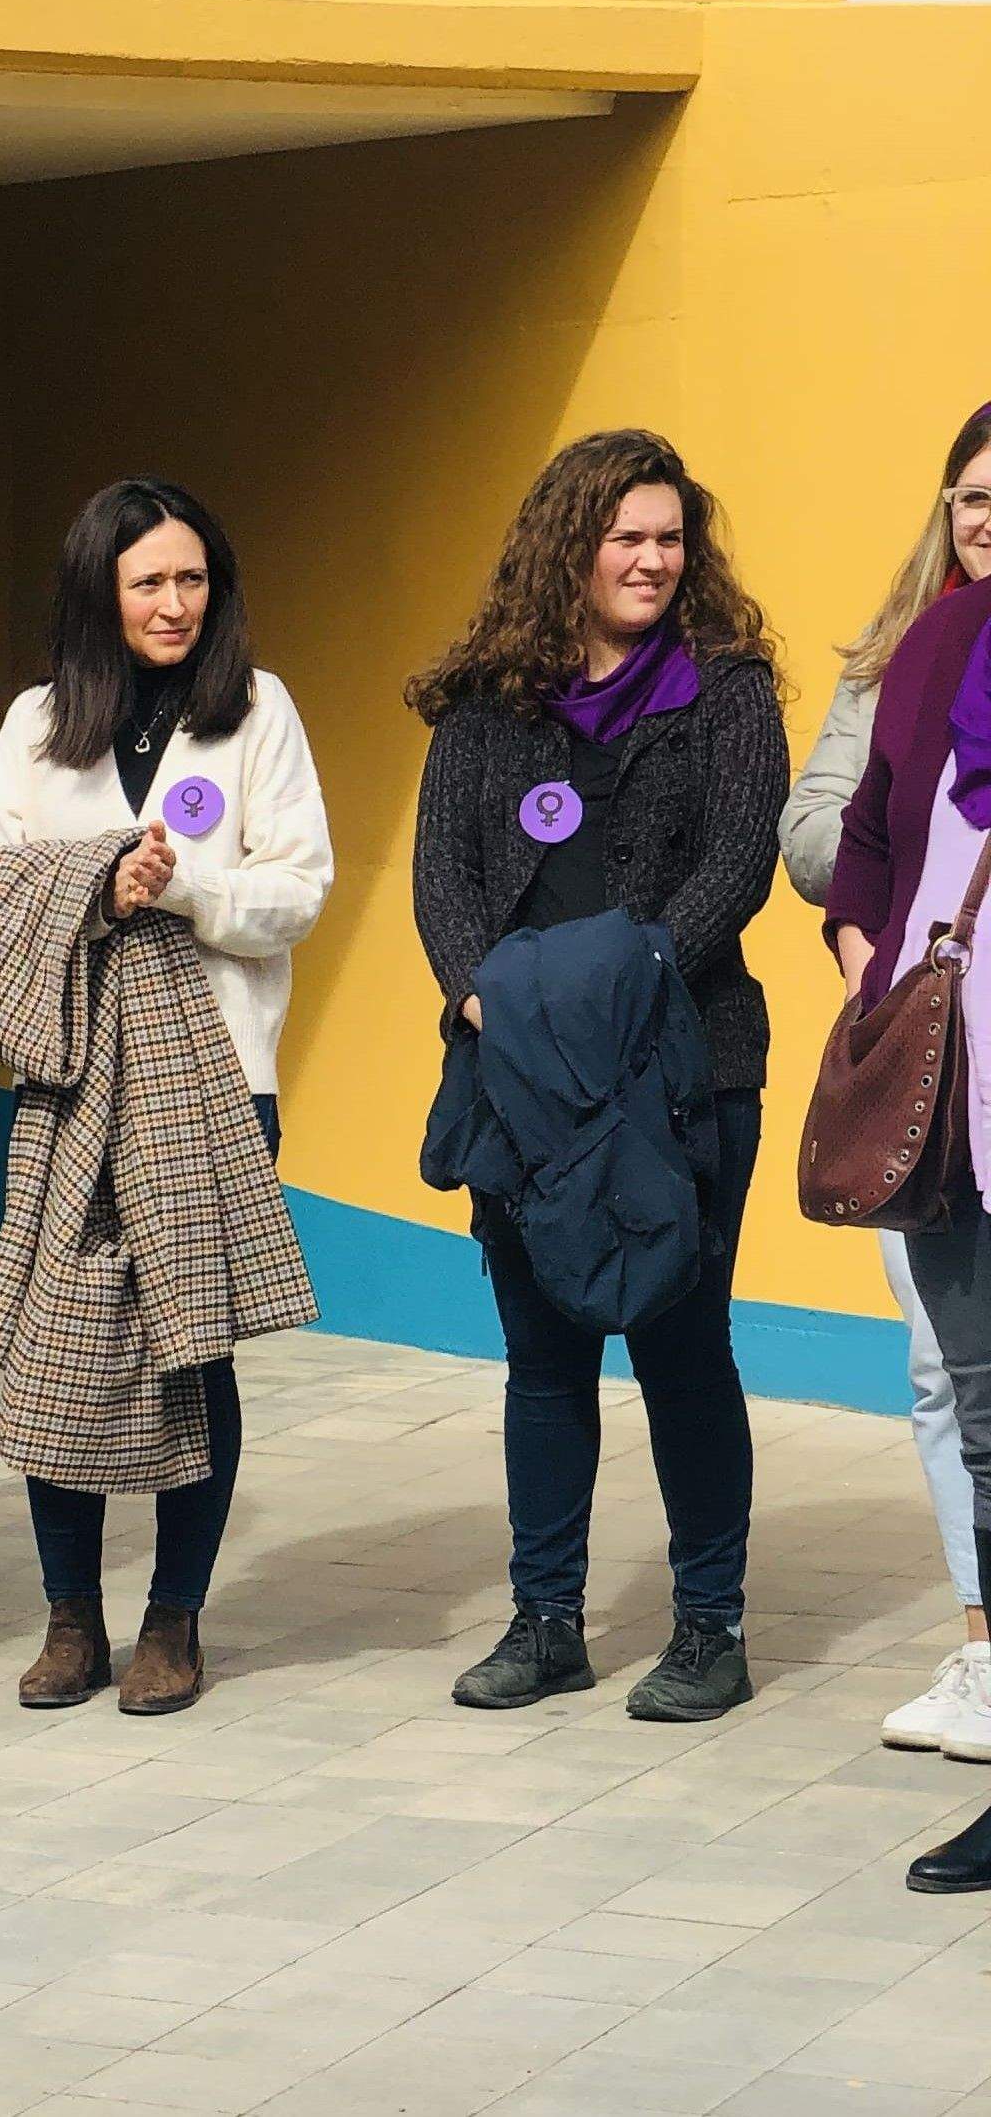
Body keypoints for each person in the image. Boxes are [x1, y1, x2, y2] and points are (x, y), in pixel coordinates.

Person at [411, 429, 787, 1724]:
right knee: (545, 1355)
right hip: (523, 1079)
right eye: (626, 534)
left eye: (669, 537)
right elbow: (441, 883)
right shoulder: (484, 706)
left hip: (685, 1064)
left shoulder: (727, 690)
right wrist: (493, 1001)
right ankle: (547, 1619)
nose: (650, 557)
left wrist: (610, 993)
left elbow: (736, 863)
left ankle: (709, 1625)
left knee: (685, 1347)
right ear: (568, 544)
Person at [0, 480, 331, 1714]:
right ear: (98, 595)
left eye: (192, 580)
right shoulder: (33, 725)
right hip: (71, 1082)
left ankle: (175, 1618)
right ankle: (72, 1618)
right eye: (148, 583)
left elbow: (300, 889)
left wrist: (180, 891)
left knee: (191, 1346)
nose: (175, 605)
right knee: (54, 1349)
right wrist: (96, 884)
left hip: (218, 1083)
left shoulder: (257, 712)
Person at [783, 402, 991, 1757]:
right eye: (970, 495)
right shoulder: (919, 653)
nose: (987, 518)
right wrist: (874, 959)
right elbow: (841, 832)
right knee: (966, 1392)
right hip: (945, 1069)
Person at [828, 536, 991, 1893]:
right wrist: (871, 971)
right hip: (960, 1107)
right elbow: (876, 830)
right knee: (988, 1428)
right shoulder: (940, 645)